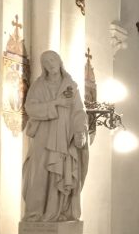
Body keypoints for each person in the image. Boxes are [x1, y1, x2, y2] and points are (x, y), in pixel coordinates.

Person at [22, 50, 89, 222]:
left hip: (65, 135)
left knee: (62, 172)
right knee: (39, 173)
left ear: (59, 62)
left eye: (52, 60)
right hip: (44, 135)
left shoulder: (70, 86)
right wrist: (55, 104)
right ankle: (35, 214)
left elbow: (78, 111)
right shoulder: (38, 86)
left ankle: (59, 212)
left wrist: (80, 131)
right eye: (46, 62)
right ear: (43, 66)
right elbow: (30, 108)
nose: (50, 64)